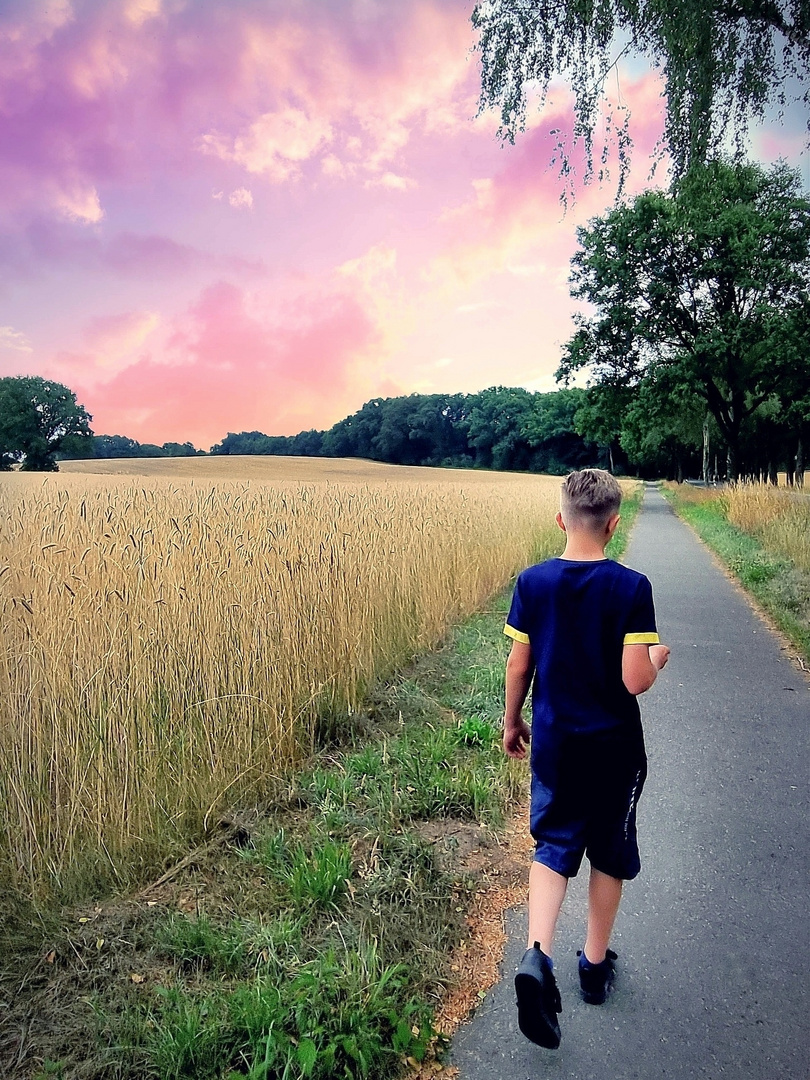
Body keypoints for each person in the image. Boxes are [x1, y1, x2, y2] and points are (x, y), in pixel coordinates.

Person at [502, 469, 670, 1049]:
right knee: (608, 851)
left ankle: (537, 953)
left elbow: (519, 667)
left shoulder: (534, 582)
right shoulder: (632, 587)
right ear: (614, 524)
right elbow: (634, 681)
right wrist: (658, 658)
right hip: (614, 750)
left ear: (560, 521)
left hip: (555, 744)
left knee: (552, 844)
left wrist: (512, 720)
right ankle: (593, 969)